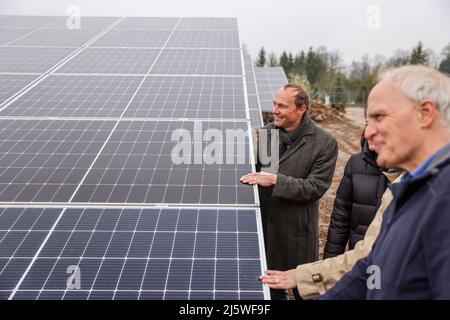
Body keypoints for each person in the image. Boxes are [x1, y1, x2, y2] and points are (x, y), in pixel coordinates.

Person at [320, 65, 450, 299]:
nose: (368, 133)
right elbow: (370, 271)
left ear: (425, 113)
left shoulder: (443, 200)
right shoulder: (408, 189)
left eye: (379, 117)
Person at [240, 84, 338, 299]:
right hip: (265, 230)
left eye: (282, 106)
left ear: (301, 109)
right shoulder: (266, 134)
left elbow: (315, 187)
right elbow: (253, 175)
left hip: (296, 235)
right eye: (275, 104)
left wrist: (276, 180)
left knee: (304, 290)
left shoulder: (324, 143)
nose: (275, 110)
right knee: (271, 290)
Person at [259, 170, 402, 299]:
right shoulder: (358, 164)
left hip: (371, 270)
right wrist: (325, 267)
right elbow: (340, 219)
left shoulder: (408, 190)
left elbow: (316, 187)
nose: (369, 139)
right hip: (353, 263)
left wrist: (310, 276)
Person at [324, 136, 389, 259]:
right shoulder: (356, 162)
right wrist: (330, 262)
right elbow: (340, 218)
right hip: (357, 259)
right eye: (367, 122)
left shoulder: (415, 169)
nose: (369, 131)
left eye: (378, 119)